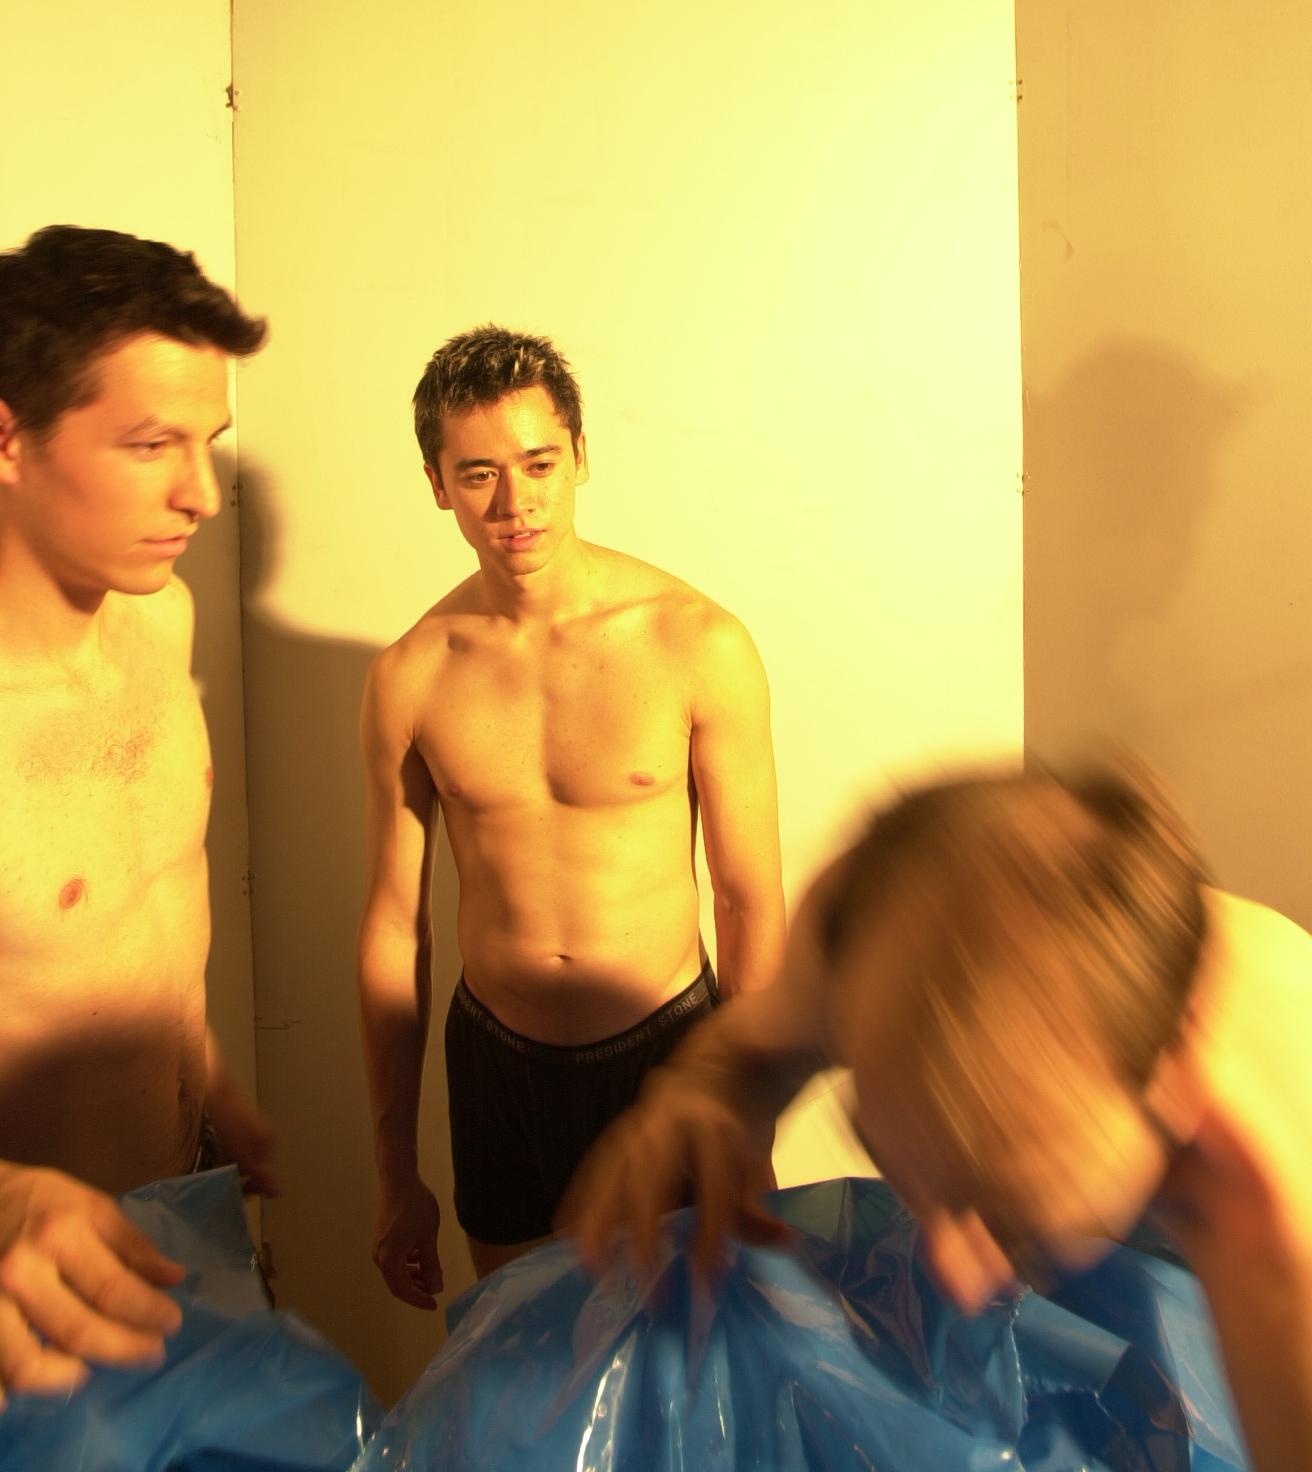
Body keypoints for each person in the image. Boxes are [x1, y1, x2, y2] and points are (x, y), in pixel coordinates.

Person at [565, 765, 1312, 1472]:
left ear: (1175, 1078)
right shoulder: (870, 926)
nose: (947, 1273)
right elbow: (749, 1052)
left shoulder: (1280, 1195)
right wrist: (702, 1096)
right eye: (899, 1163)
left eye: (1001, 1208)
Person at [358, 325, 785, 1303]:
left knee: (690, 1358)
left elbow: (748, 898)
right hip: (497, 1064)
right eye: (478, 474)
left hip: (669, 1053)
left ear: (581, 456)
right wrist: (393, 1175)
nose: (515, 502)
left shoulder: (696, 642)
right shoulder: (410, 675)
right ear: (436, 484)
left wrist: (748, 1120)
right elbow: (392, 928)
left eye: (539, 464)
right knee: (523, 1356)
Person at [0, 225, 273, 1402]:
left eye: (209, 443)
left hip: (190, 1201)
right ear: (9, 439)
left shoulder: (162, 619)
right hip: (31, 1288)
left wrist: (210, 1090)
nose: (201, 494)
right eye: (152, 444)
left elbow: (143, 901)